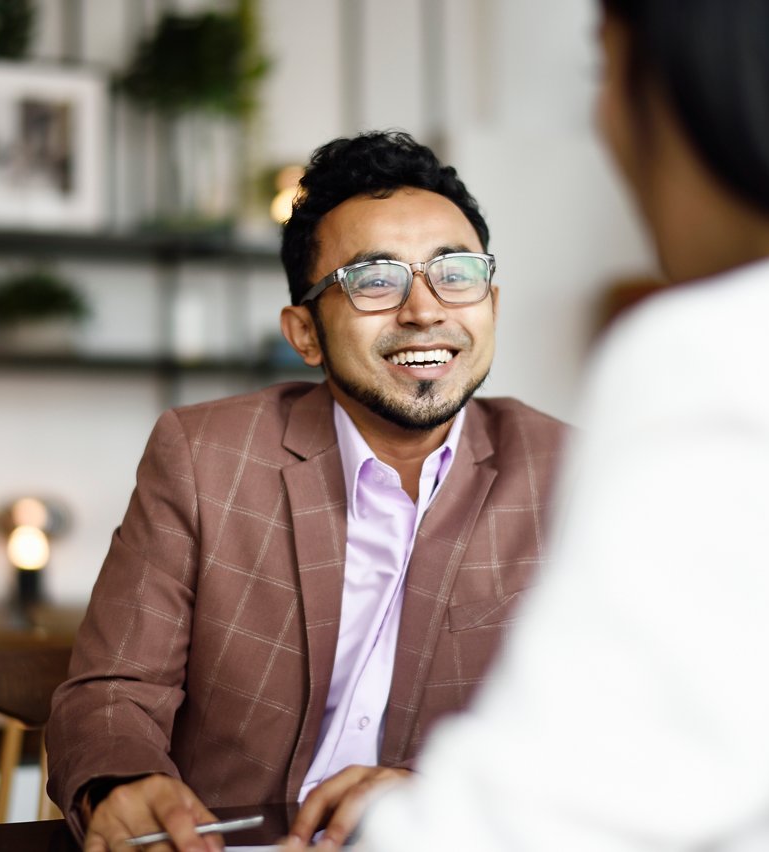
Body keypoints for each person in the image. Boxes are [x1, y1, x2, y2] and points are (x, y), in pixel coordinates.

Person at [357, 0, 769, 850]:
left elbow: (551, 821)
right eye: (376, 280)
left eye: (604, 74)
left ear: (694, 79)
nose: (606, 127)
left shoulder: (727, 357)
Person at [45, 130, 566, 852]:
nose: (424, 309)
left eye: (455, 272)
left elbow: (621, 718)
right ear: (305, 333)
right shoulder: (204, 457)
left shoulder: (567, 471)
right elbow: (111, 690)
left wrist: (445, 786)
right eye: (375, 280)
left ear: (492, 305)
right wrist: (121, 785)